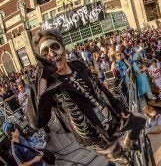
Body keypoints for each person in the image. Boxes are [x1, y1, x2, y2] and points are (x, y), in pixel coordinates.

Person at [26, 29, 146, 165]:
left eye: (54, 47)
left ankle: (128, 144)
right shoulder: (50, 86)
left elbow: (99, 87)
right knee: (125, 162)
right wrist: (42, 75)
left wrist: (118, 106)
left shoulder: (78, 65)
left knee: (141, 120)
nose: (52, 54)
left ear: (63, 47)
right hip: (96, 136)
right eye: (45, 53)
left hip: (112, 118)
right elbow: (36, 122)